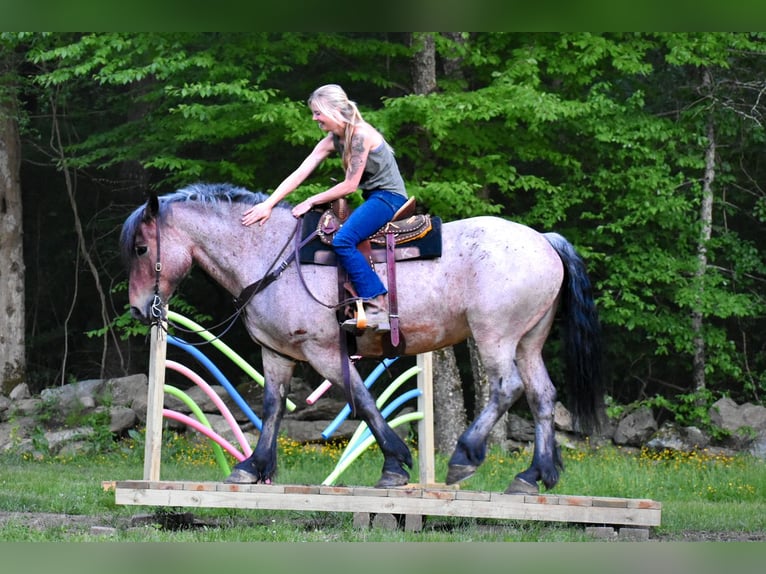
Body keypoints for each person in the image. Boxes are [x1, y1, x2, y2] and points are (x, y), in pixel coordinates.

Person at [241, 84, 408, 333]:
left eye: (318, 112)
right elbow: (301, 172)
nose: (314, 118)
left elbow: (350, 185)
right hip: (374, 196)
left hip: (388, 198)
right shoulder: (334, 139)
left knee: (343, 240)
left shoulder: (361, 135)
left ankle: (377, 304)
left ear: (333, 110)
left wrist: (312, 200)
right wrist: (268, 204)